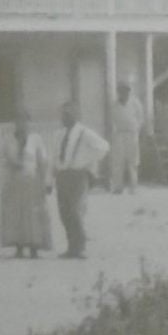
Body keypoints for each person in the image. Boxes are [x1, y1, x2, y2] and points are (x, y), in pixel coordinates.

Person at [54, 101, 109, 259]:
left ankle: (80, 247)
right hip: (62, 175)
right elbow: (55, 156)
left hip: (78, 175)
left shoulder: (85, 133)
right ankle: (71, 247)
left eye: (68, 114)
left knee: (75, 210)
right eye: (63, 114)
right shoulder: (59, 134)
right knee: (64, 213)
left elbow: (104, 147)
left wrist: (87, 161)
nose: (64, 117)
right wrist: (51, 179)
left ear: (76, 116)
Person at [0, 110, 54, 259]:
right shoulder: (8, 139)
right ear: (14, 122)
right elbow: (3, 160)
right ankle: (19, 247)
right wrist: (11, 166)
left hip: (32, 181)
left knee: (33, 215)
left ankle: (34, 248)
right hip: (14, 182)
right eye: (18, 120)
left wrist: (46, 181)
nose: (21, 123)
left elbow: (43, 161)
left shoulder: (36, 139)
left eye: (24, 120)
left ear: (29, 122)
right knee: (16, 214)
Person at [107, 79, 146, 193]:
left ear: (129, 91)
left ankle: (133, 187)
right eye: (121, 90)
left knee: (133, 161)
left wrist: (136, 129)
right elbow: (112, 120)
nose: (124, 93)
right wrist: (114, 133)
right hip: (119, 134)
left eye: (126, 90)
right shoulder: (114, 105)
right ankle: (118, 187)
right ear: (118, 92)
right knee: (118, 162)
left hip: (132, 134)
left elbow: (140, 118)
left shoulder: (135, 103)